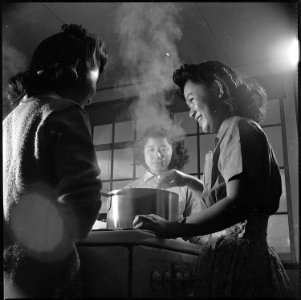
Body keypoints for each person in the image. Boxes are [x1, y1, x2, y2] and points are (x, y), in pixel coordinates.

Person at [133, 60, 293, 297]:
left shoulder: (240, 128)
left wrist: (171, 227)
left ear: (217, 89)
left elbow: (236, 205)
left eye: (191, 99)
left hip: (240, 260)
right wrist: (189, 181)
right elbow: (228, 196)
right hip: (235, 256)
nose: (190, 111)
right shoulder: (232, 131)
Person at [3, 24, 107, 298]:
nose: (96, 89)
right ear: (73, 69)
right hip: (48, 271)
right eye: (96, 72)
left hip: (9, 269)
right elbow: (83, 195)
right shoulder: (63, 112)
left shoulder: (8, 122)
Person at [126, 125, 208, 245]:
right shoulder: (130, 189)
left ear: (173, 151)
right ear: (142, 152)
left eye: (164, 149)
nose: (158, 155)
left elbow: (195, 233)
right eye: (151, 149)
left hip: (176, 252)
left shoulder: (186, 187)